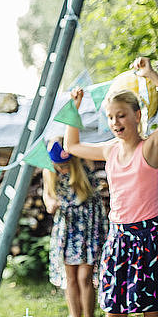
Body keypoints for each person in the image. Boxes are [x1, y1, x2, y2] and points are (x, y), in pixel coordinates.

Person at [64, 56, 158, 316]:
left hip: (149, 238)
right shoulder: (110, 150)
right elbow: (71, 146)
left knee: (151, 310)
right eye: (110, 117)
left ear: (137, 115)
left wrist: (150, 76)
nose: (116, 122)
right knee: (113, 310)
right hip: (118, 238)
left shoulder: (149, 148)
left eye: (122, 116)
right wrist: (74, 108)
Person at [42, 137, 107, 317]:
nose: (62, 169)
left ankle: (88, 315)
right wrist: (51, 204)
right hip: (67, 229)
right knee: (70, 278)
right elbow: (47, 196)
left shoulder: (83, 165)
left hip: (88, 228)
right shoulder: (49, 172)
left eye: (65, 165)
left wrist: (67, 143)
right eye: (58, 166)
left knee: (84, 276)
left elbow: (73, 138)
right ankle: (74, 314)